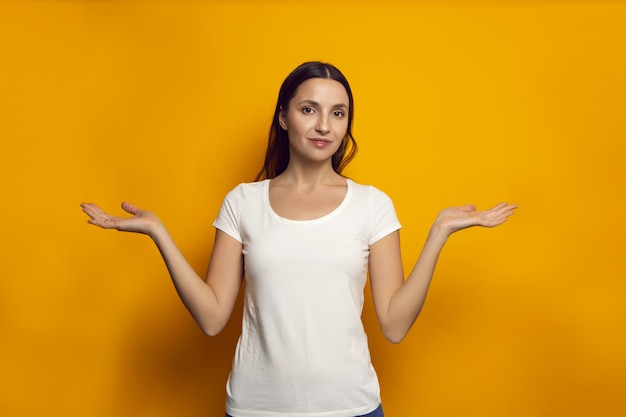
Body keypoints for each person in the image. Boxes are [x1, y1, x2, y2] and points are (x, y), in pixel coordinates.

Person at [81, 61, 516, 417]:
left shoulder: (372, 205)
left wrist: (439, 233)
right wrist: (160, 233)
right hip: (257, 409)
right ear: (284, 116)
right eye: (309, 109)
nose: (324, 124)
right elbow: (213, 318)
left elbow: (395, 325)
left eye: (338, 112)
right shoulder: (243, 202)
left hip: (351, 408)